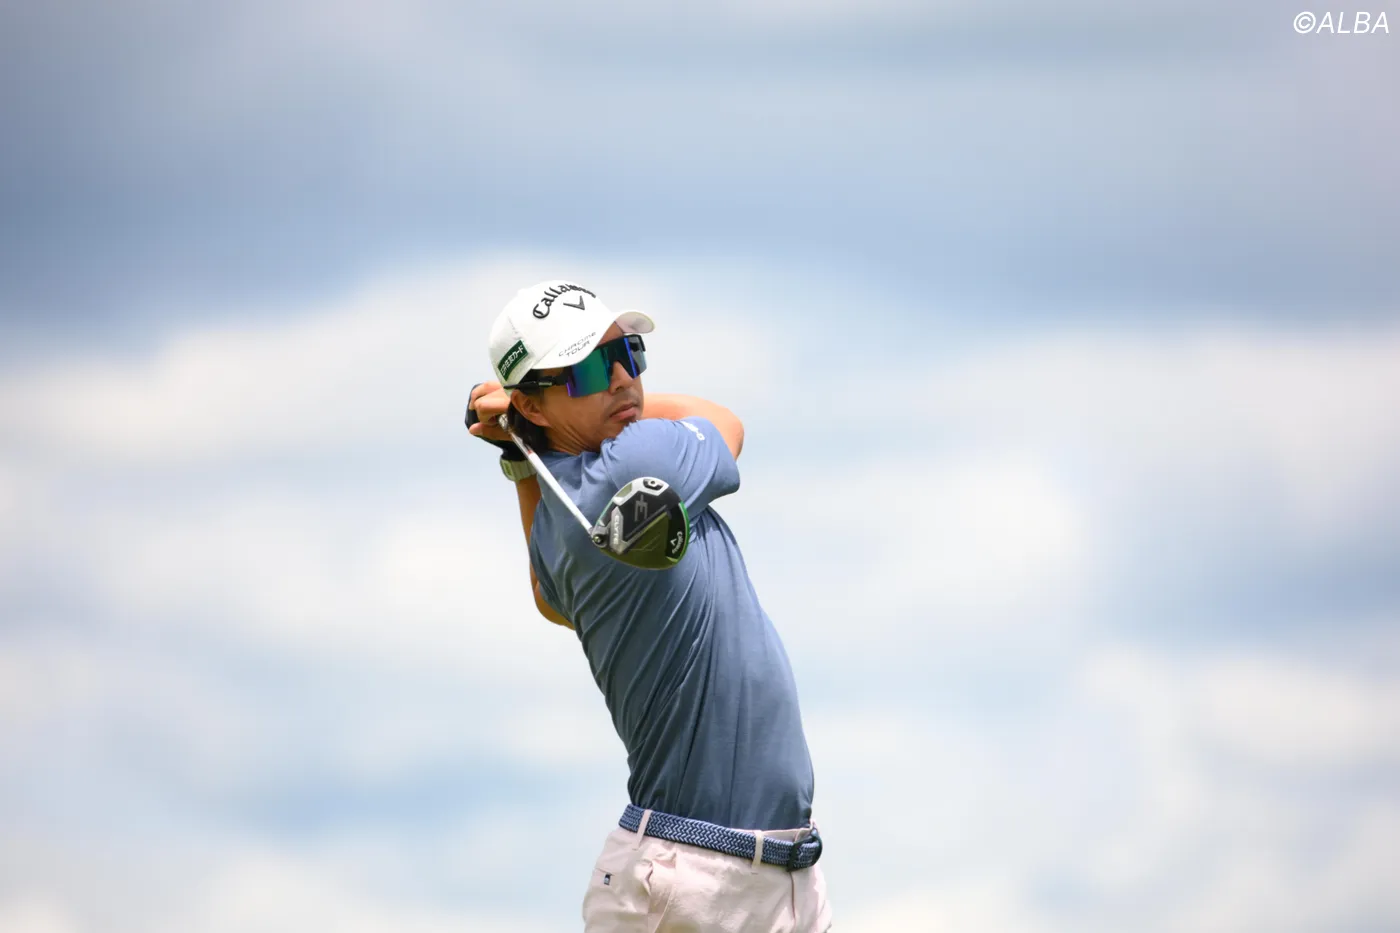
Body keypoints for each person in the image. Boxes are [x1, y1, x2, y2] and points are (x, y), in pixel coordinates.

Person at [466, 280, 832, 932]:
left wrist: (520, 448)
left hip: (781, 875)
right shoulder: (635, 458)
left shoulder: (558, 517)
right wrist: (518, 430)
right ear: (532, 403)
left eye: (627, 354)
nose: (621, 379)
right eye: (587, 369)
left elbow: (550, 599)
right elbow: (724, 420)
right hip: (690, 877)